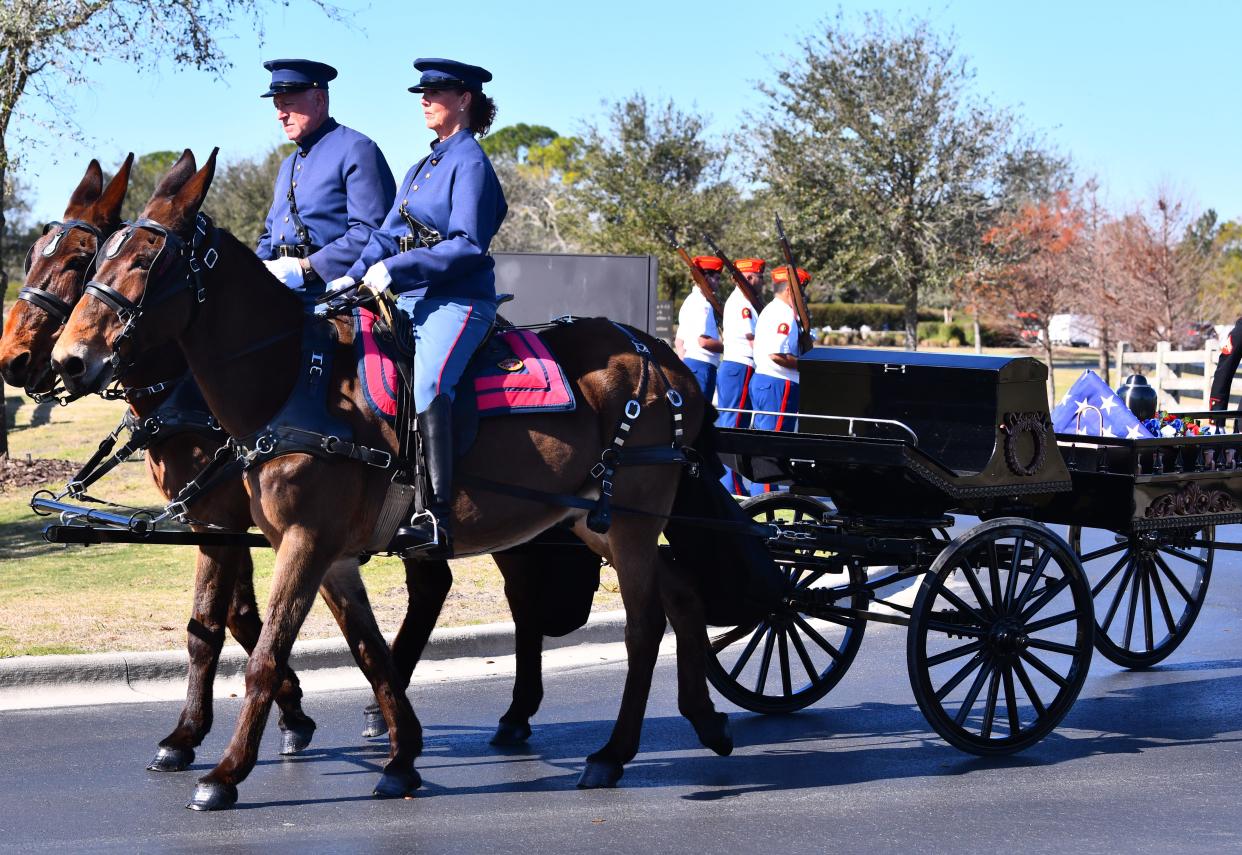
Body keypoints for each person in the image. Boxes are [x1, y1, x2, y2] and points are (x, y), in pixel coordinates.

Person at [331, 58, 507, 556]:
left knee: (429, 381)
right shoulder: (421, 165)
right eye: (422, 94)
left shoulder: (470, 161)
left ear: (465, 100)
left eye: (435, 93)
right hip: (410, 298)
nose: (424, 101)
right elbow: (386, 235)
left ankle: (437, 515)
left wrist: (397, 271)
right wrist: (353, 274)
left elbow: (468, 245)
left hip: (458, 301)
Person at [255, 58, 396, 305]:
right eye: (277, 106)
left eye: (287, 103)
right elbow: (270, 235)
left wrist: (306, 268)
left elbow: (372, 231)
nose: (280, 115)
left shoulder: (357, 149)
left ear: (319, 100)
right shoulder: (288, 164)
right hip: (281, 294)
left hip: (335, 293)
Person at [717, 257, 766, 495]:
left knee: (735, 424)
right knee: (734, 427)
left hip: (737, 367)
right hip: (741, 365)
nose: (762, 282)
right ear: (749, 277)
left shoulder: (742, 301)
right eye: (759, 277)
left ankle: (730, 483)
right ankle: (730, 484)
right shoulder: (742, 303)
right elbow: (752, 339)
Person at [748, 266, 810, 434]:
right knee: (775, 442)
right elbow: (777, 355)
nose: (803, 296)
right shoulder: (784, 314)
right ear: (790, 290)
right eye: (801, 290)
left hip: (768, 381)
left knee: (766, 438)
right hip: (779, 383)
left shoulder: (771, 309)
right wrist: (806, 366)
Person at [675, 258, 722, 401]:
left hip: (691, 364)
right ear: (707, 278)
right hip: (702, 366)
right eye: (717, 279)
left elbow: (679, 342)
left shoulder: (690, 300)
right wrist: (729, 348)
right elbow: (703, 341)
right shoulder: (703, 304)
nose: (719, 284)